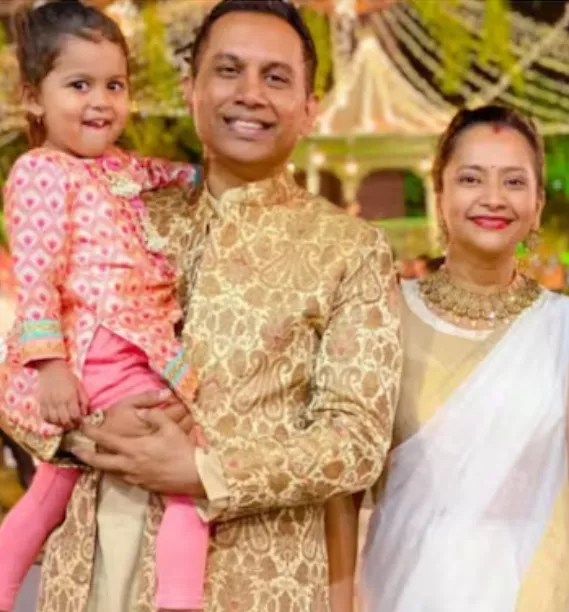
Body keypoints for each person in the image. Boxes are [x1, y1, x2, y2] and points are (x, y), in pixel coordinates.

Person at [1, 1, 402, 611]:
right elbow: (17, 376)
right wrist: (89, 430)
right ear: (190, 89)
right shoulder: (119, 208)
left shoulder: (350, 249)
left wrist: (204, 472)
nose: (250, 94)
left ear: (309, 108)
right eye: (228, 70)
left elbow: (356, 443)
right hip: (91, 573)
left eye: (275, 77)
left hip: (251, 585)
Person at [0, 3, 209, 611]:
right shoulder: (41, 171)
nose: (101, 102)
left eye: (114, 85)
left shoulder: (117, 166)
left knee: (50, 490)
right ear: (33, 98)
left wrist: (207, 175)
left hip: (131, 345)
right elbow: (36, 273)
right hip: (97, 352)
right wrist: (50, 366)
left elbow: (163, 175)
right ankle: (180, 602)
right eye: (79, 85)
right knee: (190, 473)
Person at [357, 105, 569, 611]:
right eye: (471, 178)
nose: (493, 198)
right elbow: (341, 495)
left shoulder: (560, 329)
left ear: (537, 204)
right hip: (404, 590)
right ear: (440, 194)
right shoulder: (382, 317)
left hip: (536, 593)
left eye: (514, 182)